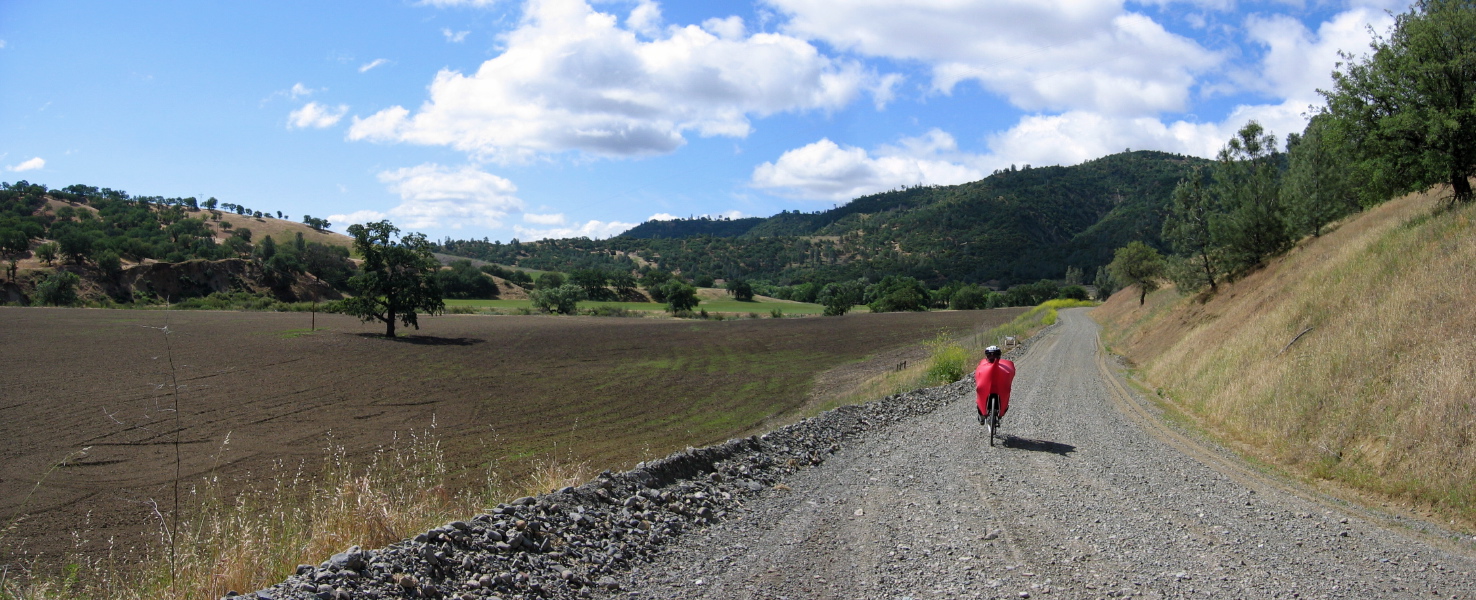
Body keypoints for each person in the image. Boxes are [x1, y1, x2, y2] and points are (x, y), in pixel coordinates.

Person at [975, 345, 1016, 426]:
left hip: (997, 390)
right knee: (980, 398)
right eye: (990, 354)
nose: (992, 356)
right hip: (990, 390)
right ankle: (982, 416)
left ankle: (995, 414)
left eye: (995, 354)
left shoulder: (1004, 367)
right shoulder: (983, 366)